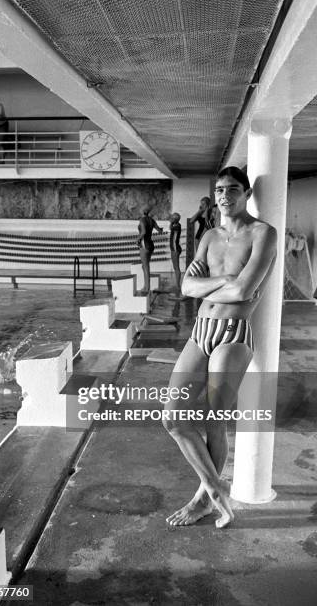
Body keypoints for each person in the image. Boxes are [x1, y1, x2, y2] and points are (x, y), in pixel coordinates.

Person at [163, 166, 277, 528]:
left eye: (232, 189)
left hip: (233, 334)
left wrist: (214, 284)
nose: (224, 196)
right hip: (201, 329)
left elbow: (244, 292)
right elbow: (185, 287)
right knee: (173, 417)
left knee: (215, 420)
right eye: (219, 190)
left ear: (246, 194)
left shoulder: (264, 234)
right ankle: (215, 488)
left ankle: (202, 500)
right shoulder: (210, 237)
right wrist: (226, 279)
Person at [137, 207, 163, 293]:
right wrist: (161, 229)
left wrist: (137, 239)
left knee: (146, 266)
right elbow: (159, 231)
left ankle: (147, 288)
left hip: (144, 245)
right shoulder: (152, 220)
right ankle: (146, 285)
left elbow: (143, 232)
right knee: (144, 266)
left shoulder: (142, 220)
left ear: (142, 211)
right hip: (151, 245)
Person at [169, 212, 182, 297]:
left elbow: (174, 239)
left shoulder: (176, 227)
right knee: (175, 267)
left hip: (175, 248)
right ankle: (177, 284)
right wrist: (171, 222)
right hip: (175, 248)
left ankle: (178, 286)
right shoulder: (176, 225)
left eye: (172, 218)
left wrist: (174, 250)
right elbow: (170, 228)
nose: (171, 218)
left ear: (175, 219)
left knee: (176, 268)